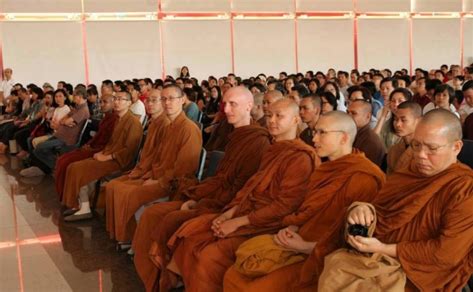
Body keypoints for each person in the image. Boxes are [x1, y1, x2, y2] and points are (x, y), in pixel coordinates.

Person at [164, 98, 320, 291]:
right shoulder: (273, 149)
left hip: (269, 224)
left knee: (209, 254)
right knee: (191, 235)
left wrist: (237, 222)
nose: (272, 120)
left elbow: (285, 206)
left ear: (296, 120)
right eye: (270, 115)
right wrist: (227, 215)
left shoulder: (300, 157)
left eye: (279, 116)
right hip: (247, 212)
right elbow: (251, 189)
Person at [223, 111, 385, 292]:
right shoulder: (324, 169)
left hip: (323, 256)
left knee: (254, 288)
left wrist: (306, 247)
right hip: (299, 240)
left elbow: (354, 242)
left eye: (322, 133)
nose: (314, 138)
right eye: (315, 131)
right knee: (233, 275)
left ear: (343, 137)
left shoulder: (364, 177)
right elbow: (308, 209)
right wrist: (293, 228)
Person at [132, 86, 272, 291]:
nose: (226, 109)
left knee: (166, 217)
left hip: (227, 205)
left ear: (249, 106)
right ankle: (153, 278)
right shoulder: (236, 136)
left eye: (233, 104)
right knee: (152, 213)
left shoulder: (258, 142)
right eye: (225, 104)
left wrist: (202, 201)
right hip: (214, 194)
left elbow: (240, 188)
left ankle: (164, 279)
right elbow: (222, 177)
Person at [331, 109, 473, 291]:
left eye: (432, 148)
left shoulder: (465, 189)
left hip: (419, 274)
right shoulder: (410, 171)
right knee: (333, 267)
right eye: (416, 145)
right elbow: (383, 211)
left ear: (456, 147)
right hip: (375, 256)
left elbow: (445, 254)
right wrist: (362, 210)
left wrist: (384, 248)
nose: (421, 154)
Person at [105, 84, 202, 242]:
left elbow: (184, 169)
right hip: (158, 175)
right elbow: (158, 158)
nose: (167, 103)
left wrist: (159, 180)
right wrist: (150, 174)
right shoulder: (170, 127)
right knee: (117, 188)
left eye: (171, 98)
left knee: (129, 193)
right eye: (164, 99)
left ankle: (131, 238)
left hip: (174, 183)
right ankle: (127, 236)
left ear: (182, 100)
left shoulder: (189, 129)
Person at [60, 91, 143, 221]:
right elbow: (111, 143)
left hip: (119, 161)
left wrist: (108, 157)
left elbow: (129, 150)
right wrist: (103, 152)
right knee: (73, 166)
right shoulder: (118, 120)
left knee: (78, 169)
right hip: (109, 154)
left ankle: (84, 208)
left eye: (121, 99)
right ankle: (81, 205)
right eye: (115, 99)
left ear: (129, 103)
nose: (117, 102)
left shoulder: (134, 123)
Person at [54, 94, 117, 200]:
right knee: (62, 159)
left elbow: (110, 143)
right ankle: (63, 195)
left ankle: (71, 198)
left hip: (101, 151)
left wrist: (93, 148)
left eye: (105, 102)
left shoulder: (115, 119)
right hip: (94, 147)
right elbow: (98, 136)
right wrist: (89, 144)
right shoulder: (106, 117)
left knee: (67, 163)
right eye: (101, 101)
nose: (101, 105)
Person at [19, 88, 90, 177]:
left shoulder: (83, 110)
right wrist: (65, 121)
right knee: (37, 147)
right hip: (60, 134)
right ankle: (54, 166)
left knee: (39, 148)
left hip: (66, 138)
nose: (72, 97)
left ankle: (54, 167)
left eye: (74, 95)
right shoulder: (77, 107)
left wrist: (65, 121)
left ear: (79, 97)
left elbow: (66, 121)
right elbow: (64, 120)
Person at [386, 101, 422, 174]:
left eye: (403, 120)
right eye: (396, 119)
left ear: (418, 121)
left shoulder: (423, 152)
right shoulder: (394, 150)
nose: (398, 124)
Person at [348, 100, 386, 167]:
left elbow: (364, 169)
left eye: (353, 113)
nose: (348, 116)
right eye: (347, 112)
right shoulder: (353, 133)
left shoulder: (371, 141)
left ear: (368, 116)